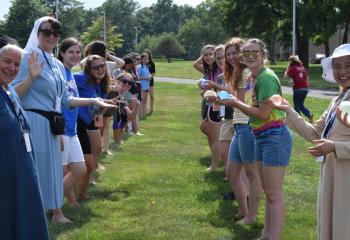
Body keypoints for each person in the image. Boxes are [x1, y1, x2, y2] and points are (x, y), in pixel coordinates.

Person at [11, 16, 116, 223]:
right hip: (34, 122)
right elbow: (12, 94)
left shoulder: (57, 65)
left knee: (51, 171)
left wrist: (93, 100)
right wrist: (31, 77)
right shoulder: (27, 58)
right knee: (39, 172)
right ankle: (34, 217)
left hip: (53, 124)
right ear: (37, 32)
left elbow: (65, 100)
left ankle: (51, 214)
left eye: (56, 32)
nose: (52, 36)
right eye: (46, 32)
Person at [273, 44, 350, 240]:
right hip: (333, 171)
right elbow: (316, 133)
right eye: (337, 65)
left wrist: (335, 146)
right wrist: (288, 110)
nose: (342, 71)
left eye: (349, 65)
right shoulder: (338, 99)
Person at [220, 38, 292, 240]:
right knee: (269, 193)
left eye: (255, 52)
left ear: (263, 55)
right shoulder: (254, 76)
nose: (250, 56)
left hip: (274, 137)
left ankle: (272, 237)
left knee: (274, 194)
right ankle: (266, 235)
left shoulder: (266, 78)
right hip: (261, 136)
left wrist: (234, 102)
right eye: (246, 53)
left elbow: (262, 114)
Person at [0, 36, 49, 240]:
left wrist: (31, 76)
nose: (12, 68)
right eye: (6, 61)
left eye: (16, 64)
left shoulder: (9, 90)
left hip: (22, 172)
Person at [74, 54, 112, 200]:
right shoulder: (81, 78)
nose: (100, 69)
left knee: (97, 148)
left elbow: (98, 107)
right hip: (77, 121)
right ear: (89, 69)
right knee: (86, 164)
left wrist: (108, 105)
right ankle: (78, 196)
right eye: (96, 67)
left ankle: (81, 196)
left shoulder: (101, 84)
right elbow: (66, 83)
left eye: (102, 66)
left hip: (90, 121)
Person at [58, 38, 87, 210]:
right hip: (60, 129)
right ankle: (55, 209)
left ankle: (52, 202)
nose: (75, 55)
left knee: (79, 168)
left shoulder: (70, 73)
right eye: (71, 52)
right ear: (62, 53)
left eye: (78, 52)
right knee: (62, 170)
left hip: (72, 129)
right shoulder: (59, 72)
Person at [193, 44, 223, 171]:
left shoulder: (220, 69)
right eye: (205, 55)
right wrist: (203, 90)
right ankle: (215, 158)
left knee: (215, 135)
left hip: (216, 104)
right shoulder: (207, 70)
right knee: (209, 133)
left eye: (211, 54)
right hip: (207, 103)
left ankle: (214, 165)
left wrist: (211, 88)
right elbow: (195, 64)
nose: (208, 57)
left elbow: (223, 88)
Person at [284, 55, 313, 123]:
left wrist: (288, 68)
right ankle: (309, 114)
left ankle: (298, 121)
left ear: (291, 62)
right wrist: (307, 87)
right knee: (301, 104)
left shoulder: (293, 68)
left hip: (298, 89)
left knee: (297, 105)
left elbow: (285, 76)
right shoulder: (302, 68)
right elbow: (307, 78)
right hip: (305, 88)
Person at [137, 53, 151, 118]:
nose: (146, 60)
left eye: (147, 59)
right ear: (141, 59)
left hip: (146, 86)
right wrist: (146, 78)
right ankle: (141, 115)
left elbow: (148, 74)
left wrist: (150, 76)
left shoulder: (146, 66)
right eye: (144, 59)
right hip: (142, 86)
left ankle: (144, 114)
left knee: (145, 101)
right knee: (141, 101)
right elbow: (137, 77)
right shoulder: (139, 67)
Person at [143, 49, 155, 113]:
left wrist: (150, 76)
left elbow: (153, 73)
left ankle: (151, 109)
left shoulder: (152, 63)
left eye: (147, 54)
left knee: (152, 96)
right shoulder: (142, 63)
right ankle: (144, 109)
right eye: (144, 54)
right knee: (144, 97)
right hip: (144, 82)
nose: (146, 55)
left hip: (150, 82)